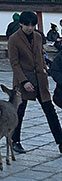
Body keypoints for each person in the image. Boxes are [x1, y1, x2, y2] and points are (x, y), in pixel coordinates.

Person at [8, 11, 62, 155]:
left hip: (40, 79)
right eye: (27, 25)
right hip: (23, 80)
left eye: (32, 25)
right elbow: (14, 63)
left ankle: (60, 141)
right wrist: (23, 81)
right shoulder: (14, 39)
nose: (30, 28)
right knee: (19, 112)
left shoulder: (38, 37)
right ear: (21, 24)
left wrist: (45, 68)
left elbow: (40, 54)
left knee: (50, 110)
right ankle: (15, 141)